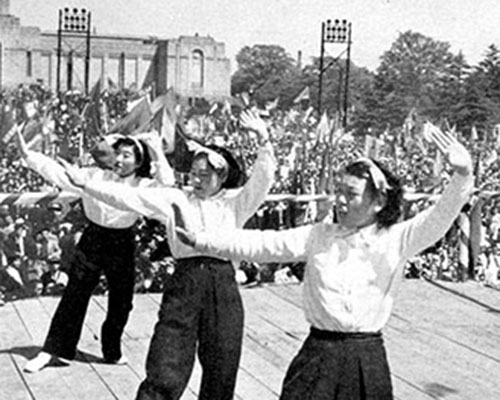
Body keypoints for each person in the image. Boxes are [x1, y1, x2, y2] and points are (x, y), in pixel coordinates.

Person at [174, 124, 473, 400]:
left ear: (379, 202)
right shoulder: (319, 235)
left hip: (366, 360)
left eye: (351, 195)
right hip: (317, 355)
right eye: (338, 192)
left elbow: (439, 217)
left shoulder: (396, 239)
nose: (339, 201)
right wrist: (201, 240)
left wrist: (462, 176)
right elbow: (260, 243)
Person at [62, 110, 276, 400]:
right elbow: (128, 196)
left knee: (222, 361)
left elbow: (262, 181)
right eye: (193, 174)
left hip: (223, 283)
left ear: (221, 177)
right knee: (167, 357)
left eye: (205, 175)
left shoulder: (235, 203)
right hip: (185, 282)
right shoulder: (176, 198)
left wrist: (263, 140)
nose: (197, 180)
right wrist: (86, 184)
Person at [19, 129, 175, 373]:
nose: (120, 160)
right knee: (74, 295)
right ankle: (53, 351)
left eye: (127, 156)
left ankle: (111, 350)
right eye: (118, 154)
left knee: (122, 301)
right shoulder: (94, 175)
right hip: (93, 238)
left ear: (139, 161)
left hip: (122, 241)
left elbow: (168, 187)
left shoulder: (143, 184)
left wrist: (156, 150)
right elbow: (58, 174)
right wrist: (29, 155)